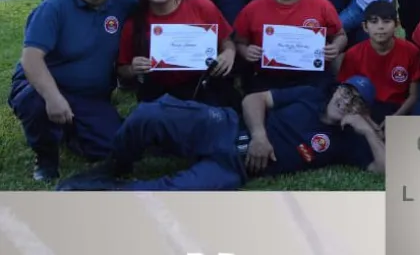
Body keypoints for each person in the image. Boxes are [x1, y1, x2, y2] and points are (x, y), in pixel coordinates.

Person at [55, 76, 385, 191]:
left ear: (361, 111)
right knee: (149, 114)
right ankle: (117, 163)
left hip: (235, 167)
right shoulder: (310, 94)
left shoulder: (346, 143)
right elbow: (254, 98)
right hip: (224, 125)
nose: (345, 100)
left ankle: (102, 192)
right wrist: (259, 135)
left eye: (355, 101)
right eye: (345, 91)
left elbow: (384, 170)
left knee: (173, 194)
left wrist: (368, 133)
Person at [8, 0, 137, 181]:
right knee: (35, 102)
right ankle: (46, 157)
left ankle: (71, 132)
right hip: (44, 85)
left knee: (114, 148)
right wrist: (53, 98)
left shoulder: (123, 4)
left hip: (88, 95)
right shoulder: (54, 6)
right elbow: (31, 58)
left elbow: (159, 5)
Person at [116, 0, 239, 109]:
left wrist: (228, 53)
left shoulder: (200, 5)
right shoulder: (134, 23)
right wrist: (132, 69)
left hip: (202, 86)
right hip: (158, 93)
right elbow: (122, 69)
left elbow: (227, 41)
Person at [234, 0, 347, 93]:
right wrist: (246, 51)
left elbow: (340, 35)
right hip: (268, 78)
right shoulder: (253, 9)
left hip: (310, 78)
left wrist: (336, 47)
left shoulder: (321, 5)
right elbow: (238, 41)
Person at [337, 0, 420, 124]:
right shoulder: (353, 54)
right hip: (364, 109)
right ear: (365, 26)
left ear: (397, 24)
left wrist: (396, 118)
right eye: (374, 21)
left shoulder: (411, 51)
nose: (380, 27)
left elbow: (414, 95)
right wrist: (367, 122)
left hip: (399, 109)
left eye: (386, 21)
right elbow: (346, 93)